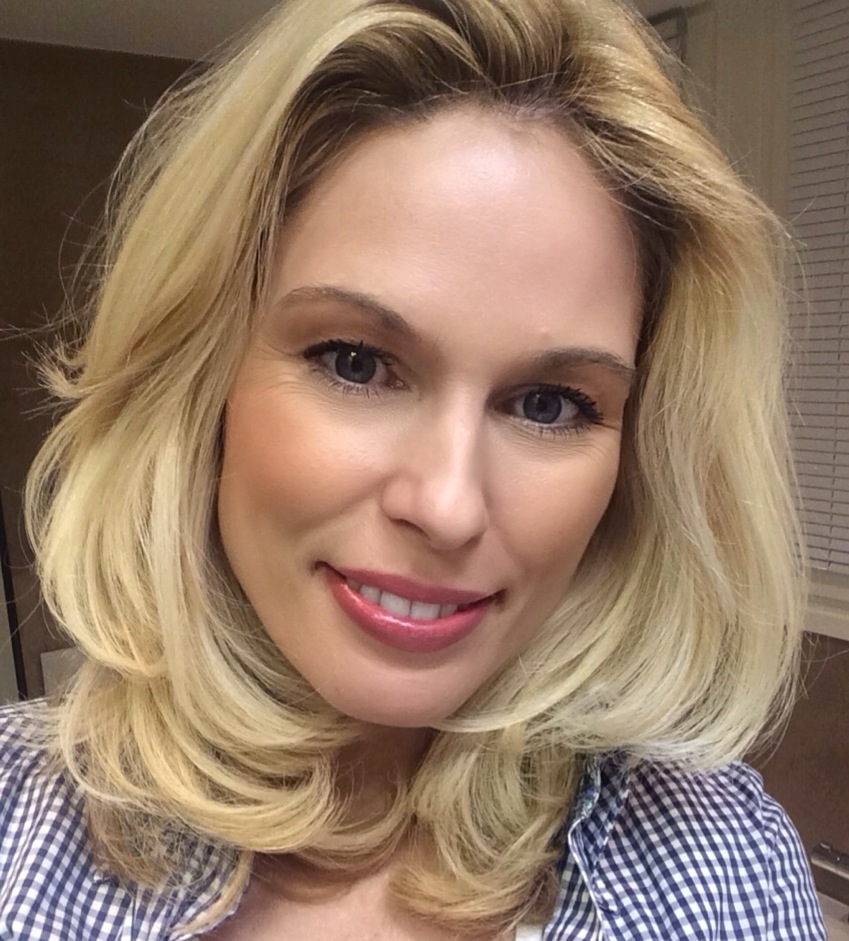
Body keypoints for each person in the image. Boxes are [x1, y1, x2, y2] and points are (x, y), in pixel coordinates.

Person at [0, 0, 826, 938]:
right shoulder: (18, 832)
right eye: (355, 361)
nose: (446, 504)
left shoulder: (719, 863)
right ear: (197, 375)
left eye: (549, 403)